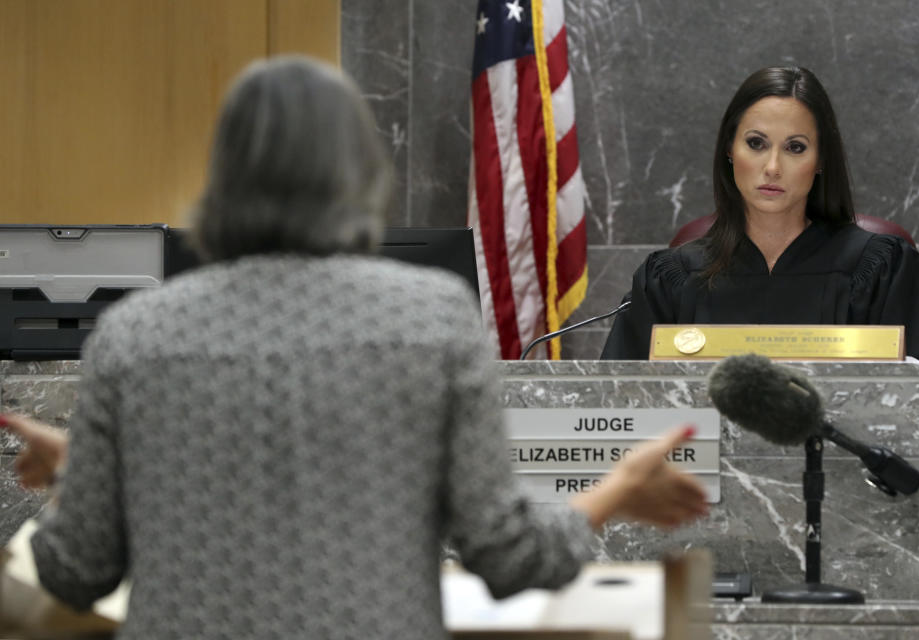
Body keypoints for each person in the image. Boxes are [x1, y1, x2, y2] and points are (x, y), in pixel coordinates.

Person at [0, 57, 708, 639]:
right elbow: (510, 553)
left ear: (225, 175)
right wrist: (616, 491)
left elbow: (74, 570)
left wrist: (84, 479)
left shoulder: (134, 335)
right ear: (358, 171)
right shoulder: (431, 321)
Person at [601, 66, 919, 361]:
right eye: (756, 143)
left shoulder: (883, 270)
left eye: (795, 147)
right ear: (730, 150)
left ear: (819, 161)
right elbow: (622, 410)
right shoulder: (668, 280)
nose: (772, 167)